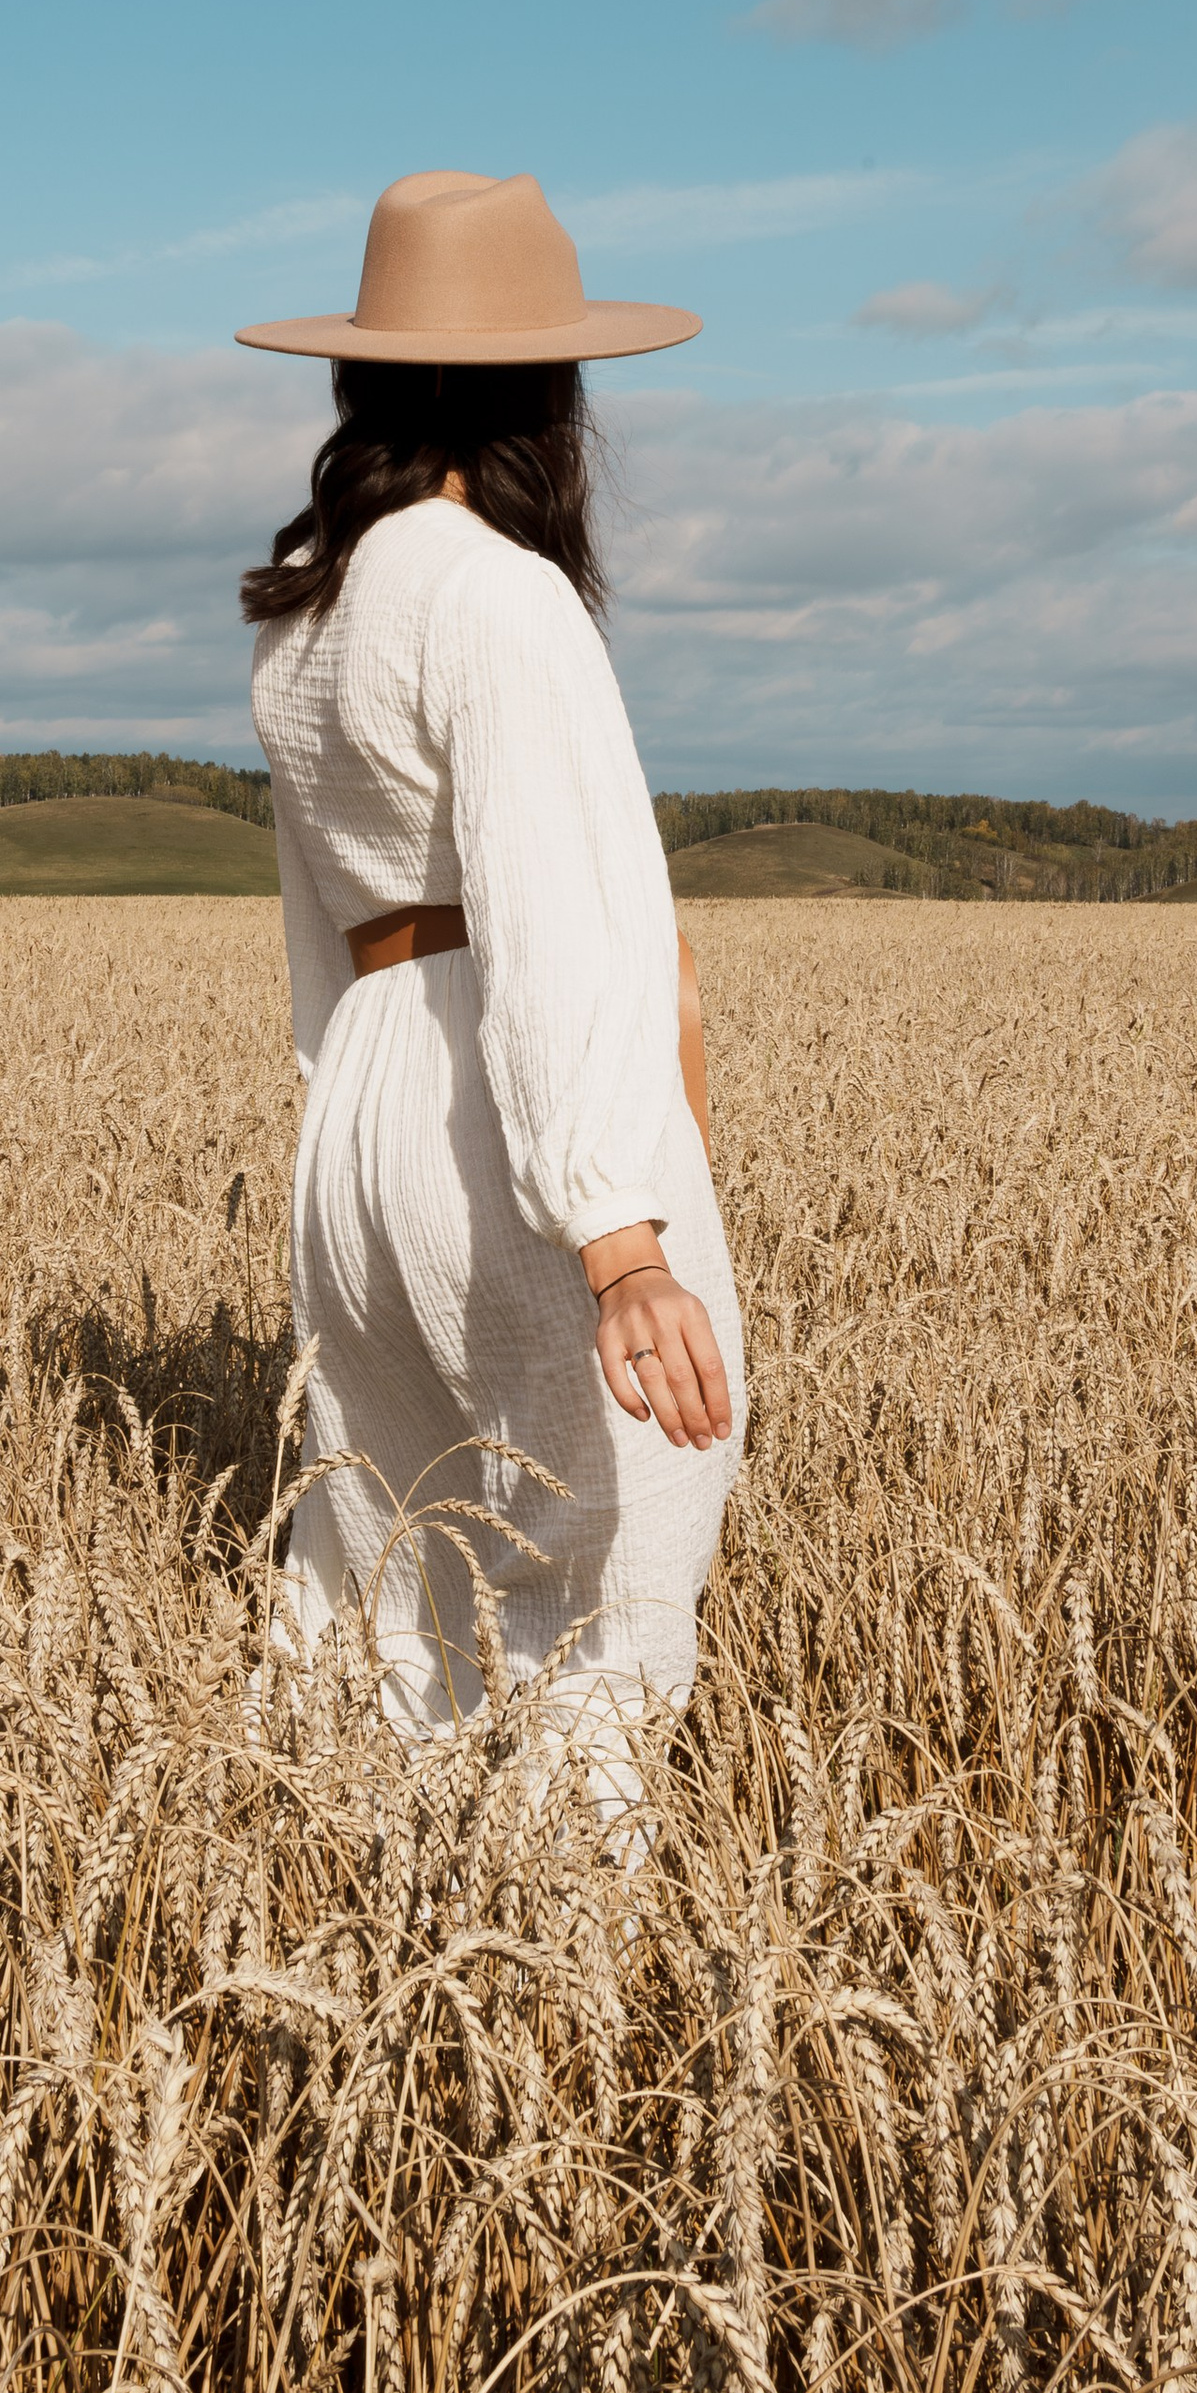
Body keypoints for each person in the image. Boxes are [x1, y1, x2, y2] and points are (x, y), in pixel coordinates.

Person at [237, 168, 744, 1807]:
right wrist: (619, 1235)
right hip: (501, 1103)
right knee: (599, 1584)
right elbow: (549, 912)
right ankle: (549, 2015)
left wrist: (352, 1120)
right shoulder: (498, 595)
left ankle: (352, 1956)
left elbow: (327, 934)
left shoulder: (307, 612)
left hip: (364, 1108)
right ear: (546, 392)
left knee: (386, 1586)